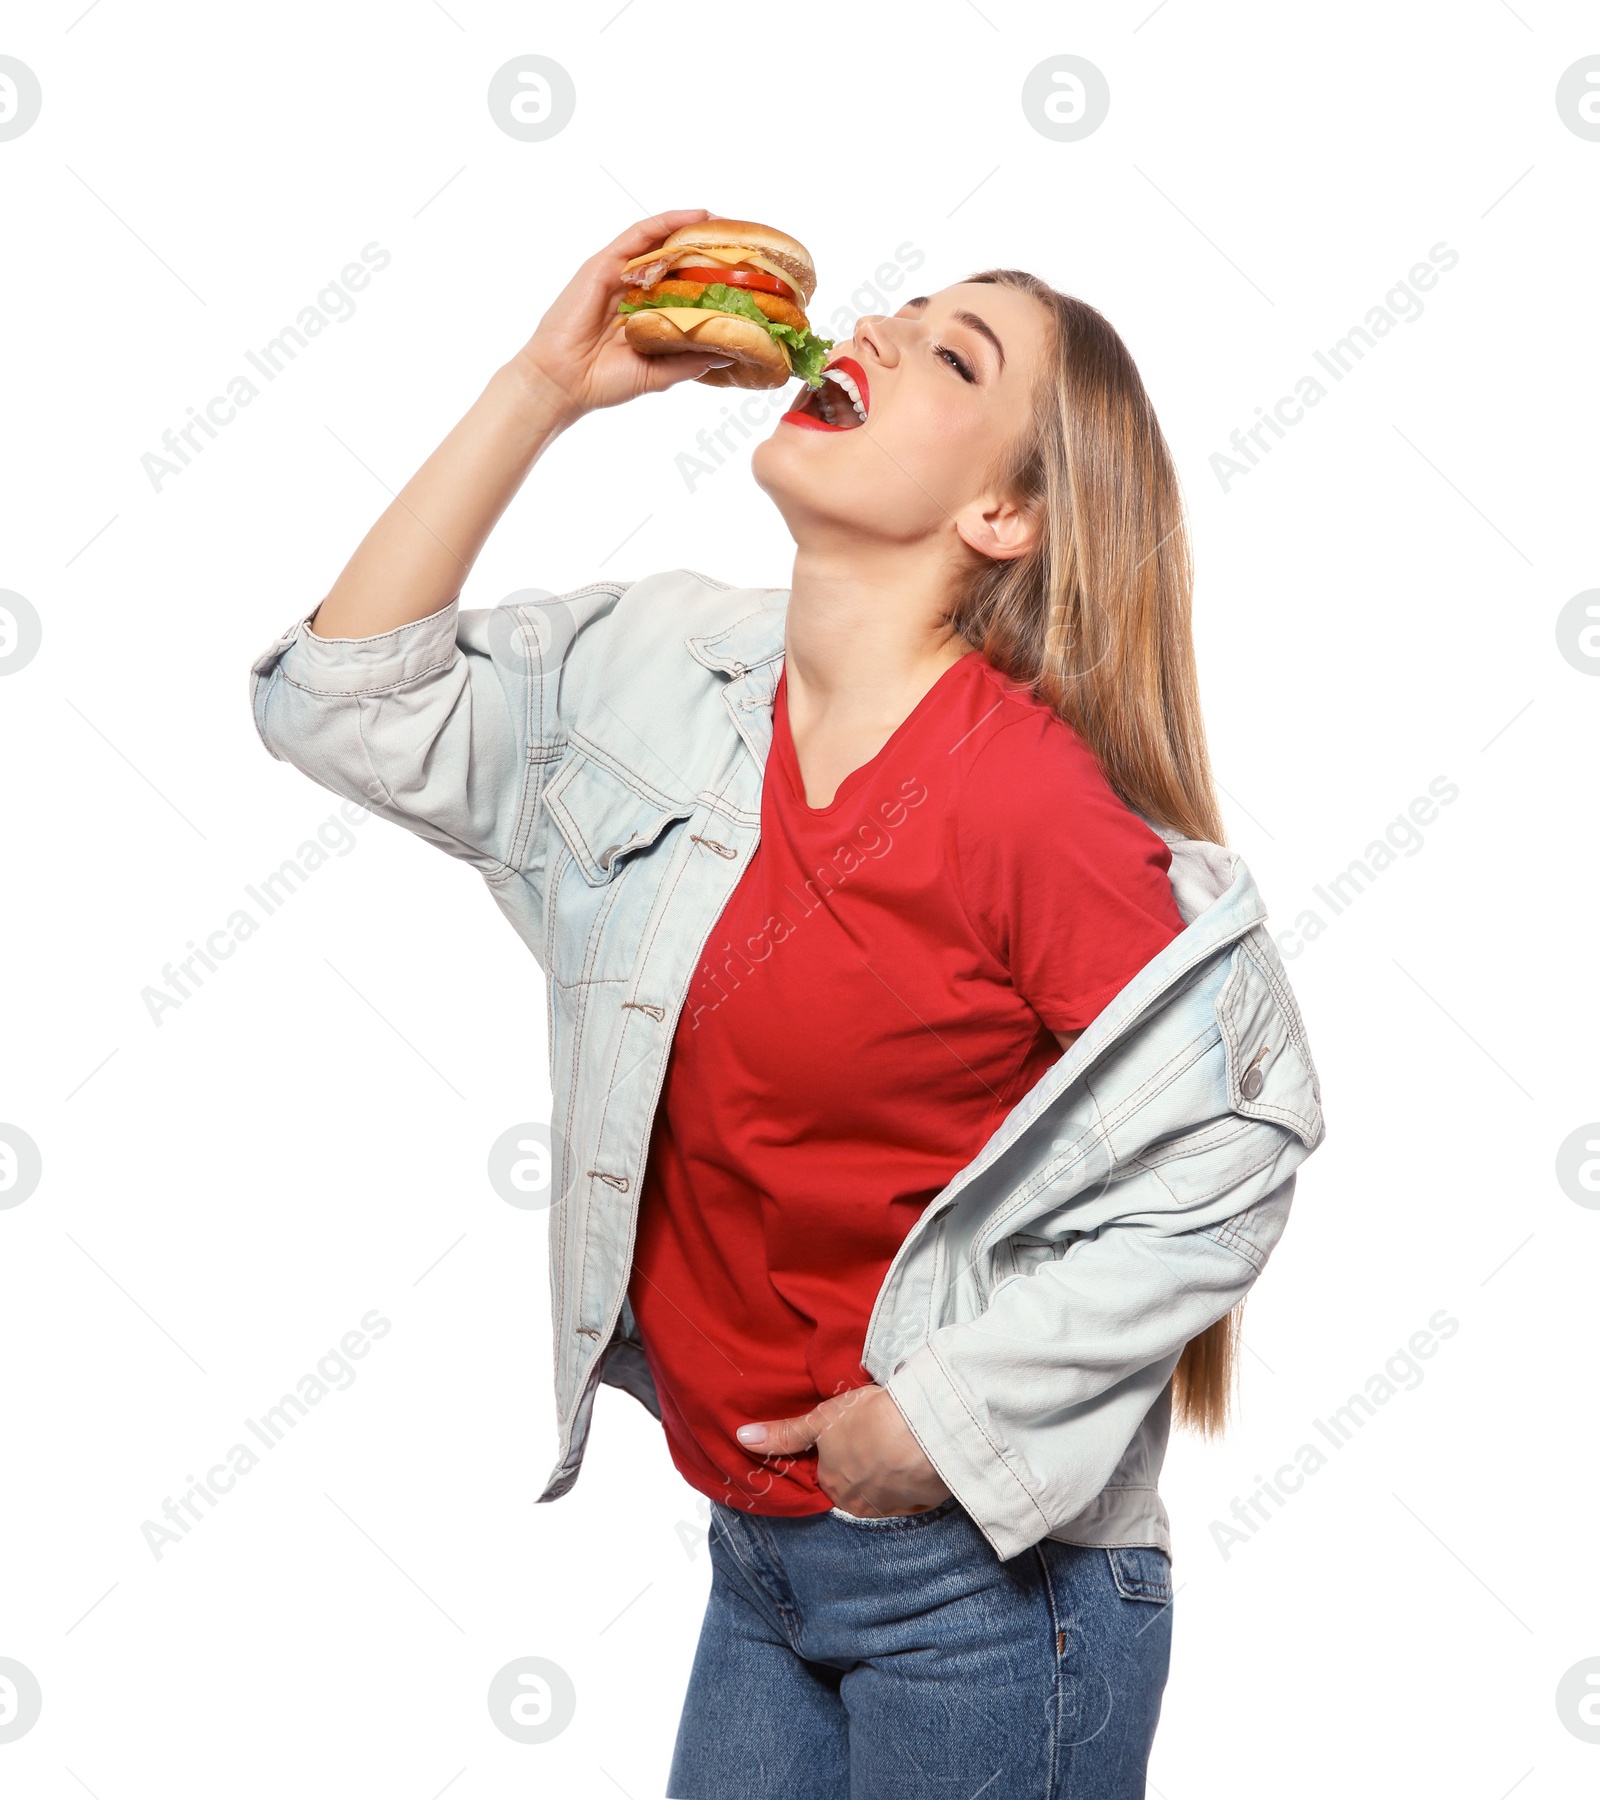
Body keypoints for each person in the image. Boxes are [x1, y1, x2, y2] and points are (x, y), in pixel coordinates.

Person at [249, 208, 1326, 1798]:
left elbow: (1240, 1139)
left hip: (984, 1594)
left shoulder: (1028, 806)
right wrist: (547, 384)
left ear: (1004, 516)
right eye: (895, 309)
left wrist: (939, 1425)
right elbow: (341, 706)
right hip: (756, 1562)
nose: (876, 331)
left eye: (956, 353)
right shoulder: (671, 678)